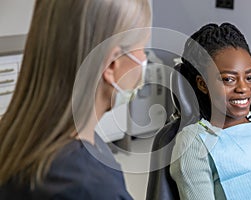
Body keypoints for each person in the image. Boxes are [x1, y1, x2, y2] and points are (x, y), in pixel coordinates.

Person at [0, 0, 151, 199]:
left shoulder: (14, 139)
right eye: (142, 48)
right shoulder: (89, 188)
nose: (144, 59)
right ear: (113, 64)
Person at [170, 23, 251, 200]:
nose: (243, 88)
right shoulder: (194, 142)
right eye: (229, 79)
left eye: (250, 77)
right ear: (202, 84)